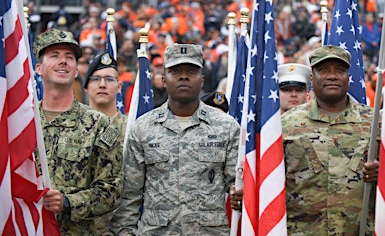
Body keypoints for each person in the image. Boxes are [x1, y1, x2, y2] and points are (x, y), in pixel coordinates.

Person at [110, 43, 241, 235]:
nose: (184, 76)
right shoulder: (143, 127)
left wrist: (239, 194)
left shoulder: (227, 126)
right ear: (164, 79)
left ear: (202, 79)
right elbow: (129, 196)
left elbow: (238, 186)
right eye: (175, 71)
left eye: (192, 71)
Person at [32, 29, 123, 235]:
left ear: (75, 71)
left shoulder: (98, 125)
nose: (63, 61)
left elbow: (112, 191)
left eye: (69, 57)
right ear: (39, 68)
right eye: (54, 56)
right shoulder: (23, 122)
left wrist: (67, 202)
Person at [280, 45, 379, 235]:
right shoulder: (286, 124)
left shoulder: (376, 122)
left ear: (349, 78)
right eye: (323, 70)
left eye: (340, 71)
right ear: (311, 79)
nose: (332, 76)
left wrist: (383, 173)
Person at [82, 52, 127, 236]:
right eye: (95, 79)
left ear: (119, 86)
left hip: (122, 227)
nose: (102, 85)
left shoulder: (134, 129)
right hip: (83, 227)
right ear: (86, 87)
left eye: (109, 79)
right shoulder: (72, 129)